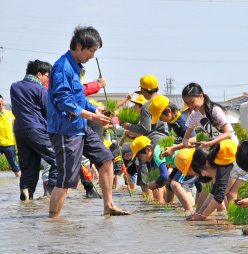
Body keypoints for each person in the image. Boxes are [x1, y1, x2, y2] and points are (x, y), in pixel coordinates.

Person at [47, 25, 129, 217]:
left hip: (80, 128)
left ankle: (108, 206)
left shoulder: (75, 68)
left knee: (106, 160)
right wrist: (93, 116)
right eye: (91, 51)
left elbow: (79, 99)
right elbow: (64, 102)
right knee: (67, 180)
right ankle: (53, 223)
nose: (92, 56)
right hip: (65, 131)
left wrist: (96, 109)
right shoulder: (62, 68)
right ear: (78, 46)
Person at [10, 59, 57, 200]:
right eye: (47, 76)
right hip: (36, 129)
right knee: (59, 159)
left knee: (29, 166)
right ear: (39, 74)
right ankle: (50, 192)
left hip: (19, 131)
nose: (47, 79)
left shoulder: (14, 87)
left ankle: (26, 191)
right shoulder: (41, 89)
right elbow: (49, 112)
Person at [121, 75, 169, 194]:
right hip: (166, 141)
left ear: (142, 91)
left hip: (153, 144)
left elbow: (145, 128)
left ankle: (155, 208)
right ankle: (162, 207)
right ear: (157, 88)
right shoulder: (165, 101)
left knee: (154, 176)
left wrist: (129, 126)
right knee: (162, 176)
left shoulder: (147, 106)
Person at [180, 82, 238, 148]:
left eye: (192, 102)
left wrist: (210, 143)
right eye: (187, 103)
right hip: (217, 148)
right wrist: (187, 143)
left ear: (201, 96)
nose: (190, 106)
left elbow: (228, 134)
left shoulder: (215, 110)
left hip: (231, 147)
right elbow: (185, 138)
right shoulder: (194, 115)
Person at [0, 95, 21, 178]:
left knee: (14, 165)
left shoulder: (10, 114)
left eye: (1, 101)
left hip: (10, 144)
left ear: (3, 102)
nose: (0, 103)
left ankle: (20, 180)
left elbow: (17, 127)